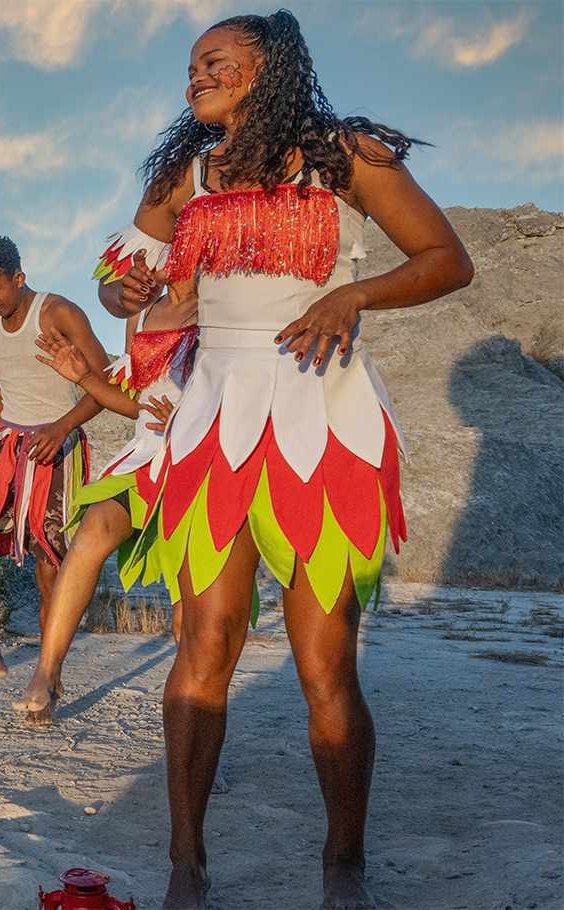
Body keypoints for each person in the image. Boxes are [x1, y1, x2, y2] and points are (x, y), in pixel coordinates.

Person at [111, 12, 472, 908]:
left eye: (217, 59)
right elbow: (120, 274)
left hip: (325, 412)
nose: (198, 73)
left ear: (270, 66)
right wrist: (129, 286)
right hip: (213, 414)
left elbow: (445, 261)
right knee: (206, 641)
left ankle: (342, 864)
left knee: (325, 665)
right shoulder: (180, 172)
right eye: (192, 64)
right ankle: (185, 864)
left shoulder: (344, 155)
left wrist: (351, 294)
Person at [10, 256, 197, 725]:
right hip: (144, 455)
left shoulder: (220, 309)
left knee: (187, 620)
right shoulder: (144, 312)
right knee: (91, 531)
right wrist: (85, 378)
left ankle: (194, 735)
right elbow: (135, 406)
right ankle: (46, 672)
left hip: (200, 462)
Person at [0, 236, 108, 680]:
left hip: (56, 443)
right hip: (6, 441)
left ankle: (48, 673)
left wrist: (61, 428)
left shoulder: (59, 312)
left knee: (49, 563)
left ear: (18, 278)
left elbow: (105, 383)